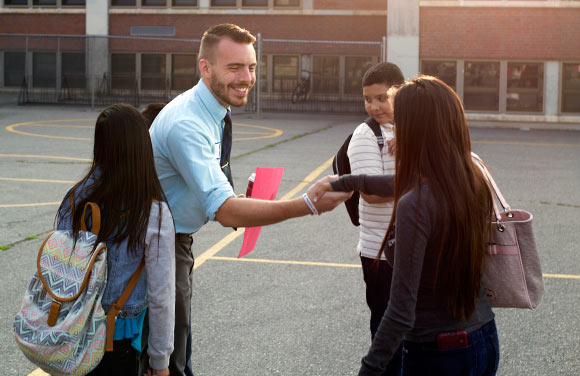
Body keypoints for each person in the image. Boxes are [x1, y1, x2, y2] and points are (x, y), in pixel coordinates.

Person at [148, 23, 348, 376]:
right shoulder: (188, 123)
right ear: (205, 67)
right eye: (235, 67)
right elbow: (225, 212)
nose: (246, 78)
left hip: (175, 241)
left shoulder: (215, 110)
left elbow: (213, 194)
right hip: (159, 250)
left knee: (179, 349)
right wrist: (308, 204)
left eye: (252, 67)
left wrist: (237, 199)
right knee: (168, 362)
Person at [313, 76, 499, 375]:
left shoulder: (415, 205)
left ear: (414, 129)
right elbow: (399, 182)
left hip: (437, 354)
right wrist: (344, 181)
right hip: (483, 339)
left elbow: (400, 312)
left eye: (400, 119)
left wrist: (369, 368)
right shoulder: (470, 177)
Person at [56, 104, 175, 376]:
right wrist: (160, 362)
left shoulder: (74, 198)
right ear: (142, 147)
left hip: (70, 332)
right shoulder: (153, 210)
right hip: (117, 339)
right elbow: (161, 295)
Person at [348, 62, 404, 375]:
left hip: (417, 249)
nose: (374, 106)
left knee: (417, 337)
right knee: (388, 340)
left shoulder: (418, 128)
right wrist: (425, 176)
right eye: (368, 99)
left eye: (383, 98)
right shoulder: (366, 135)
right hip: (381, 255)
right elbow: (370, 191)